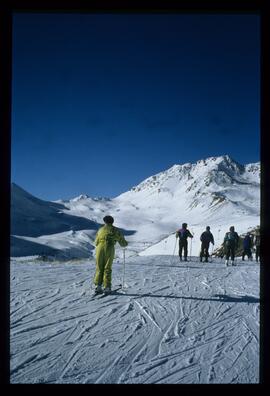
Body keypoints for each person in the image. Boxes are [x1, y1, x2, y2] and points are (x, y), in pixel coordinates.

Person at [93, 215, 128, 294]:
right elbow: (122, 242)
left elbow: (96, 242)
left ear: (104, 221)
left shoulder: (100, 229)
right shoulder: (115, 230)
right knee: (107, 267)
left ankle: (98, 286)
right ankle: (107, 287)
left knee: (99, 267)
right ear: (112, 222)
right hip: (109, 247)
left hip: (99, 248)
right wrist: (125, 243)